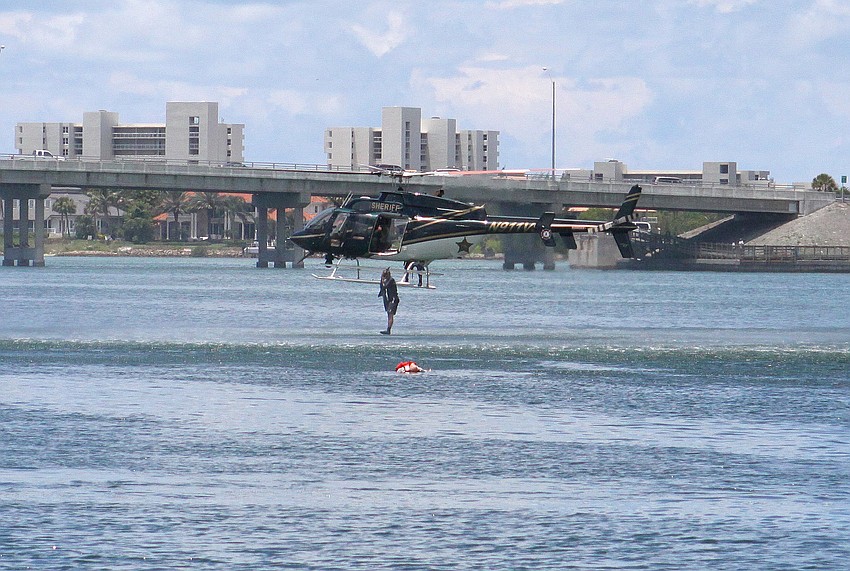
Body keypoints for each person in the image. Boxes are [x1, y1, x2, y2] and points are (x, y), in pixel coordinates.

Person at [378, 268, 399, 335]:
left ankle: (388, 330)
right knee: (388, 314)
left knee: (390, 314)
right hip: (389, 299)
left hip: (393, 299)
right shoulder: (387, 280)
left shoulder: (391, 280)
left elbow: (385, 287)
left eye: (385, 275)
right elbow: (382, 288)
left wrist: (382, 280)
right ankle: (388, 329)